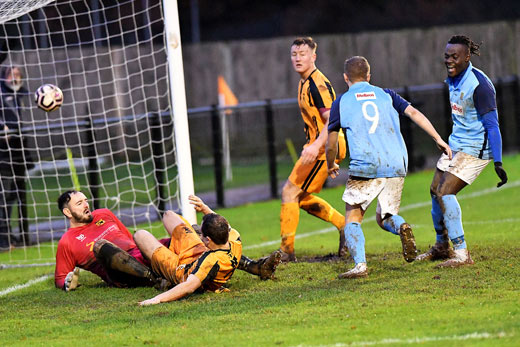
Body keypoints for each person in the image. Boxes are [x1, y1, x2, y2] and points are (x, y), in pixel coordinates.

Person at [326, 56, 452, 279]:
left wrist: (331, 164)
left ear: (345, 78)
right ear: (369, 76)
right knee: (385, 217)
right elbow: (414, 113)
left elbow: (332, 142)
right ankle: (402, 226)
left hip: (365, 164)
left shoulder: (341, 102)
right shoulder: (386, 94)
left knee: (353, 217)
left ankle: (360, 266)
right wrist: (438, 138)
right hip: (396, 162)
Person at [55, 190, 280, 292]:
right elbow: (60, 278)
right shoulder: (67, 242)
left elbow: (126, 236)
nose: (86, 205)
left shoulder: (103, 214)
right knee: (101, 246)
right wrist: (68, 283)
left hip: (141, 253)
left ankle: (255, 267)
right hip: (125, 272)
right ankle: (156, 280)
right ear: (67, 212)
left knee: (188, 227)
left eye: (85, 200)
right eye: (79, 204)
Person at [417, 35, 508, 267]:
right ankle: (441, 246)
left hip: (476, 148)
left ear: (467, 57)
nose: (449, 60)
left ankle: (462, 254)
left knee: (446, 192)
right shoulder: (453, 78)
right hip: (456, 144)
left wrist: (498, 161)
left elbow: (493, 125)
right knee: (434, 190)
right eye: (447, 56)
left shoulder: (479, 85)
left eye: (455, 56)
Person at [279, 37, 347, 262]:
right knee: (299, 196)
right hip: (320, 146)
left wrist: (316, 146)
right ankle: (345, 226)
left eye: (303, 54)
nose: (298, 59)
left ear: (313, 57)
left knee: (289, 192)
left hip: (326, 146)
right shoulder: (305, 81)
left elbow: (332, 120)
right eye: (294, 54)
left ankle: (286, 252)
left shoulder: (317, 84)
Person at [135, 197, 244, 305]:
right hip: (199, 250)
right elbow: (224, 223)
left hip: (181, 270)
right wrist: (204, 208)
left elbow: (188, 287)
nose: (199, 235)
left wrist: (157, 299)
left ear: (208, 239)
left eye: (201, 233)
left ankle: (160, 273)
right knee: (168, 215)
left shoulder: (210, 262)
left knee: (140, 235)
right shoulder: (234, 239)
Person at [0, 66, 31, 251]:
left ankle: (19, 236)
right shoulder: (3, 96)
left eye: (18, 75)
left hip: (18, 152)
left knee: (15, 195)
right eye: (12, 75)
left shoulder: (21, 95)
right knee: (4, 196)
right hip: (3, 154)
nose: (16, 78)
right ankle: (4, 238)